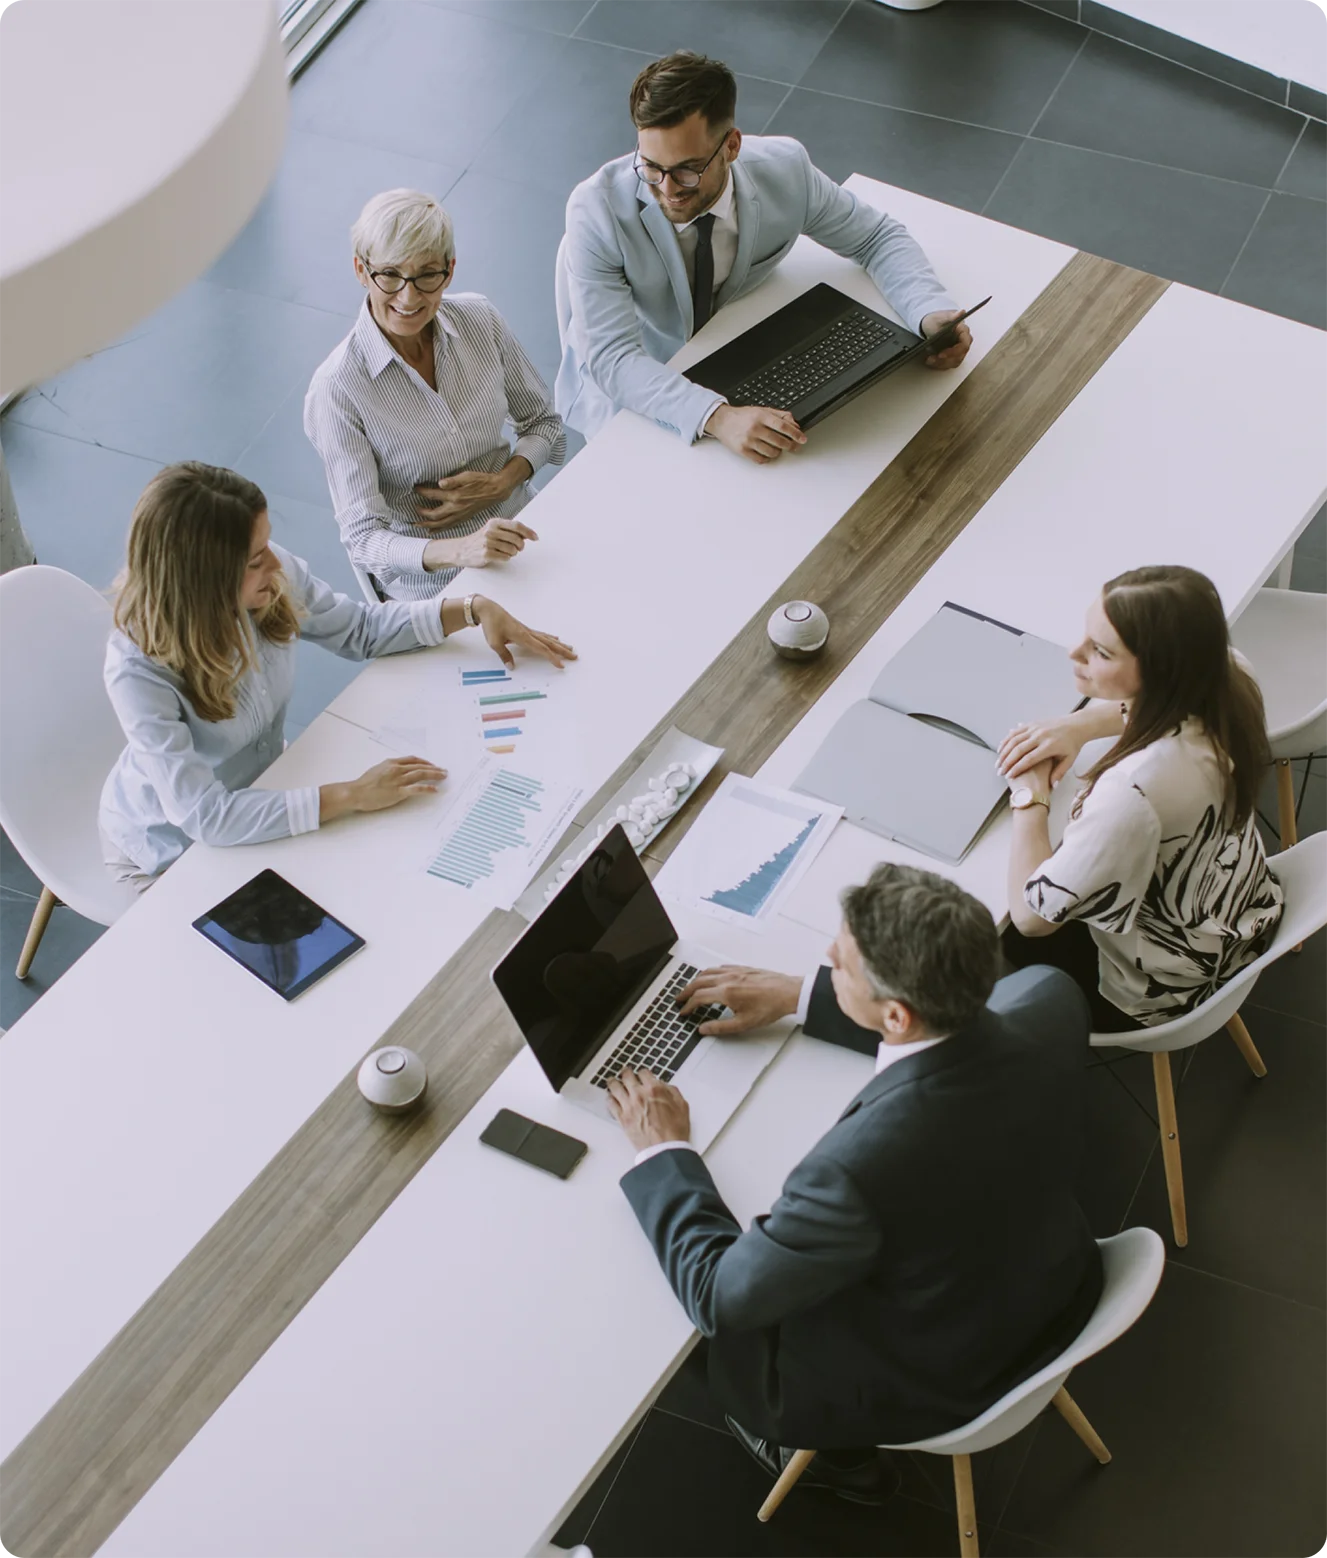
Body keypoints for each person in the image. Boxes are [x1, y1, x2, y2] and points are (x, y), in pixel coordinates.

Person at [606, 863, 1102, 1500]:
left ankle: (836, 1458)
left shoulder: (853, 1171)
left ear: (896, 1015)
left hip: (948, 1372)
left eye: (838, 964)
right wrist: (801, 995)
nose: (826, 957)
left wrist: (664, 1151)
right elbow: (965, 1030)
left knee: (708, 1331)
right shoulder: (1051, 998)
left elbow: (719, 1294)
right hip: (1055, 1282)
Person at [99, 462, 574, 890]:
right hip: (167, 852)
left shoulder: (266, 576)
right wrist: (353, 795)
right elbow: (205, 817)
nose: (274, 564)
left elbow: (360, 630)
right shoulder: (138, 671)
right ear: (202, 581)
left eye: (266, 545)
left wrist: (471, 608)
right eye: (254, 560)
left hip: (267, 786)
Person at [555, 51, 971, 463]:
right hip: (642, 377)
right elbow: (613, 359)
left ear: (732, 145)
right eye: (650, 167)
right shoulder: (596, 212)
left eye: (688, 169)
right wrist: (717, 417)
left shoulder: (785, 169)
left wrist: (928, 311)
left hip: (739, 350)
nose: (667, 189)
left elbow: (876, 237)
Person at [998, 565, 1284, 1033]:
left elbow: (1033, 919)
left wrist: (1029, 794)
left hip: (1159, 988)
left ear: (1160, 670)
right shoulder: (1231, 675)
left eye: (1100, 652)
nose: (1074, 653)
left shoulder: (1133, 793)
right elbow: (1162, 707)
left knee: (997, 933)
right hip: (1240, 908)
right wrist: (1078, 726)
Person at [305, 189, 565, 602]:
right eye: (389, 274)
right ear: (361, 270)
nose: (409, 298)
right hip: (438, 589)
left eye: (427, 275)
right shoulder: (337, 390)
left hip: (528, 534)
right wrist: (460, 550)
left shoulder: (481, 319)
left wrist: (503, 482)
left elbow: (545, 425)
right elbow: (364, 540)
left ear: (450, 269)